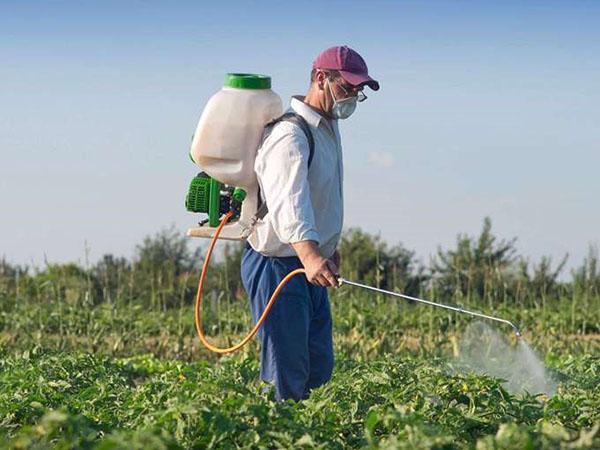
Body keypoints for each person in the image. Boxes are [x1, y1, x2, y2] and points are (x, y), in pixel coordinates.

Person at [241, 45, 380, 401]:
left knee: (318, 367)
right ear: (321, 79)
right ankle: (280, 436)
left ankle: (310, 434)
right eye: (347, 87)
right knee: (287, 374)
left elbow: (323, 196)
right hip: (279, 265)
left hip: (308, 262)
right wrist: (310, 253)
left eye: (357, 92)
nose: (352, 97)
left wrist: (328, 249)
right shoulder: (290, 134)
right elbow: (291, 201)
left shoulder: (327, 129)